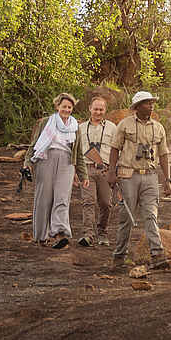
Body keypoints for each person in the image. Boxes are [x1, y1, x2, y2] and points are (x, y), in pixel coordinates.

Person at [108, 90, 171, 269]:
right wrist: (111, 172)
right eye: (146, 103)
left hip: (150, 176)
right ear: (137, 107)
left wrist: (167, 179)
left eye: (152, 103)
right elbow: (114, 148)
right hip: (128, 175)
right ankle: (119, 257)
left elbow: (164, 154)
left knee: (151, 215)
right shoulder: (124, 124)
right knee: (126, 217)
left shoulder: (158, 127)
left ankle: (157, 255)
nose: (150, 106)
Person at [28, 93, 86, 248]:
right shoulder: (46, 122)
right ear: (57, 106)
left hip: (67, 163)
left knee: (62, 198)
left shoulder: (75, 126)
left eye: (69, 107)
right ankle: (41, 236)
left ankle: (60, 233)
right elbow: (33, 144)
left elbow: (78, 152)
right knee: (44, 198)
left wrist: (82, 174)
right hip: (46, 159)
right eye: (64, 106)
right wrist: (27, 163)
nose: (66, 109)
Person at [77, 95, 119, 247]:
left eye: (101, 109)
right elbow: (75, 151)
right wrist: (76, 172)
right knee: (88, 202)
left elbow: (117, 150)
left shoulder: (112, 127)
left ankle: (102, 232)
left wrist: (115, 171)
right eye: (95, 109)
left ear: (105, 110)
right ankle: (88, 234)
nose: (98, 112)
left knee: (106, 203)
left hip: (105, 170)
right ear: (90, 109)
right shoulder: (80, 128)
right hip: (86, 169)